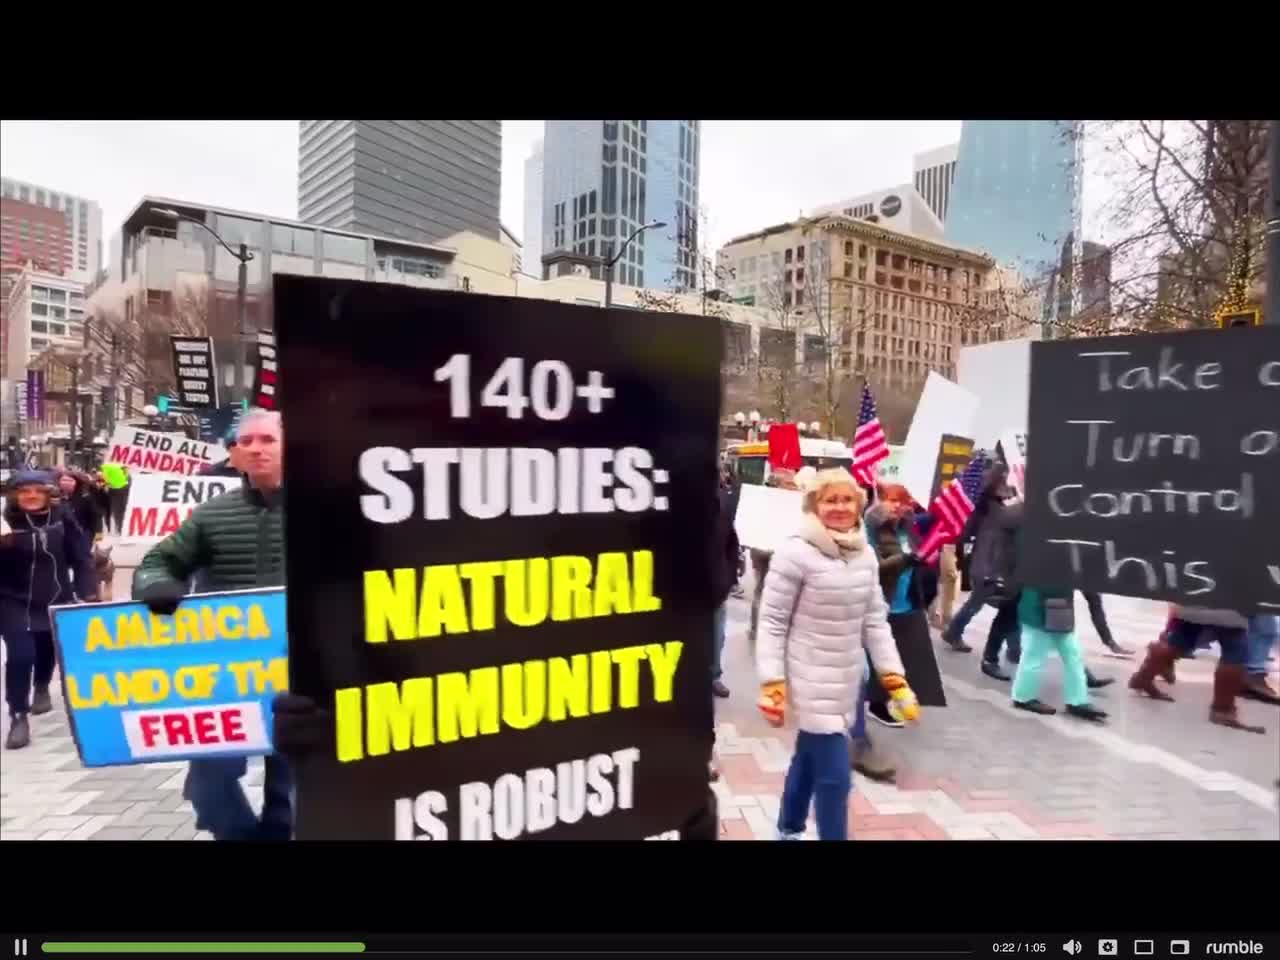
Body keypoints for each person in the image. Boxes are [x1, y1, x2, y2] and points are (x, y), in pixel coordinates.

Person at [132, 409, 293, 838]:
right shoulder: (212, 514)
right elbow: (158, 560)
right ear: (234, 454)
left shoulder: (333, 508)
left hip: (302, 668)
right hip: (226, 670)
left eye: (267, 440)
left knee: (293, 784)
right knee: (207, 784)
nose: (255, 449)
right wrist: (156, 584)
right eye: (245, 442)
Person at [756, 467, 920, 841]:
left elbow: (875, 623)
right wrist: (771, 682)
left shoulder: (863, 554)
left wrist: (895, 680)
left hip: (846, 680)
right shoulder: (795, 552)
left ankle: (788, 828)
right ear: (814, 505)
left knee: (807, 760)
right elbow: (773, 622)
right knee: (834, 776)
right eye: (830, 499)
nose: (840, 507)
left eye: (847, 499)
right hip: (807, 679)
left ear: (860, 504)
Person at [1, 469, 96, 750]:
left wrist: (87, 590)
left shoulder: (62, 518)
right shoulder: (4, 521)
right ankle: (18, 715)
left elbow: (80, 556)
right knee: (20, 655)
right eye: (24, 491)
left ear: (48, 494)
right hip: (12, 599)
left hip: (55, 595)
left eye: (37, 491)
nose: (31, 496)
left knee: (46, 648)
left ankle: (42, 684)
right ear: (14, 496)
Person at [1129, 605, 1265, 734]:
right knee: (1235, 650)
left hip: (1192, 599)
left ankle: (1142, 678)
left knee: (1177, 642)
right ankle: (1222, 710)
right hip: (1230, 605)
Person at [1010, 586, 1108, 722]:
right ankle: (1023, 698)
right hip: (1036, 611)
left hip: (1060, 610)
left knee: (1073, 655)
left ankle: (1077, 701)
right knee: (1033, 657)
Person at [711, 475, 740, 700]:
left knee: (717, 637)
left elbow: (732, 542)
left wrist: (728, 578)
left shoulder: (723, 506)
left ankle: (713, 676)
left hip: (716, 587)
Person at [56, 469, 103, 539]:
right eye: (64, 480)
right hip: (60, 535)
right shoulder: (54, 497)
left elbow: (95, 516)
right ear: (59, 482)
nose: (67, 483)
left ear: (76, 482)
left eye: (70, 481)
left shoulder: (85, 497)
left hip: (81, 534)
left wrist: (98, 534)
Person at [929, 543, 959, 631]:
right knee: (947, 578)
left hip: (948, 544)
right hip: (940, 543)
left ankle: (939, 616)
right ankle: (940, 617)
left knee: (946, 579)